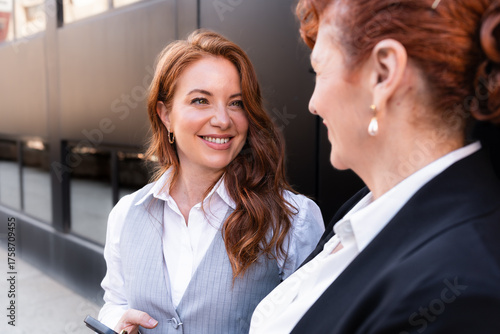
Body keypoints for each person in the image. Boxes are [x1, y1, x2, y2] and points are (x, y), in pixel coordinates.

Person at [250, 0, 500, 333]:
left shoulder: (461, 289)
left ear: (383, 73)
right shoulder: (364, 205)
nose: (312, 104)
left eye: (319, 70)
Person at [98, 30, 324, 334]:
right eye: (201, 100)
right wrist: (116, 321)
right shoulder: (127, 213)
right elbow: (115, 300)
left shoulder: (294, 219)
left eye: (236, 103)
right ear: (165, 115)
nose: (222, 119)